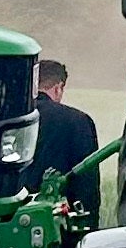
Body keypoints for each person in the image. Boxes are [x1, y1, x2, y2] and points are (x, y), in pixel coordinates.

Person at [31, 57, 100, 195]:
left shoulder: (5, 117)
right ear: (58, 88)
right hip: (56, 205)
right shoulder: (79, 121)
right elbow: (86, 181)